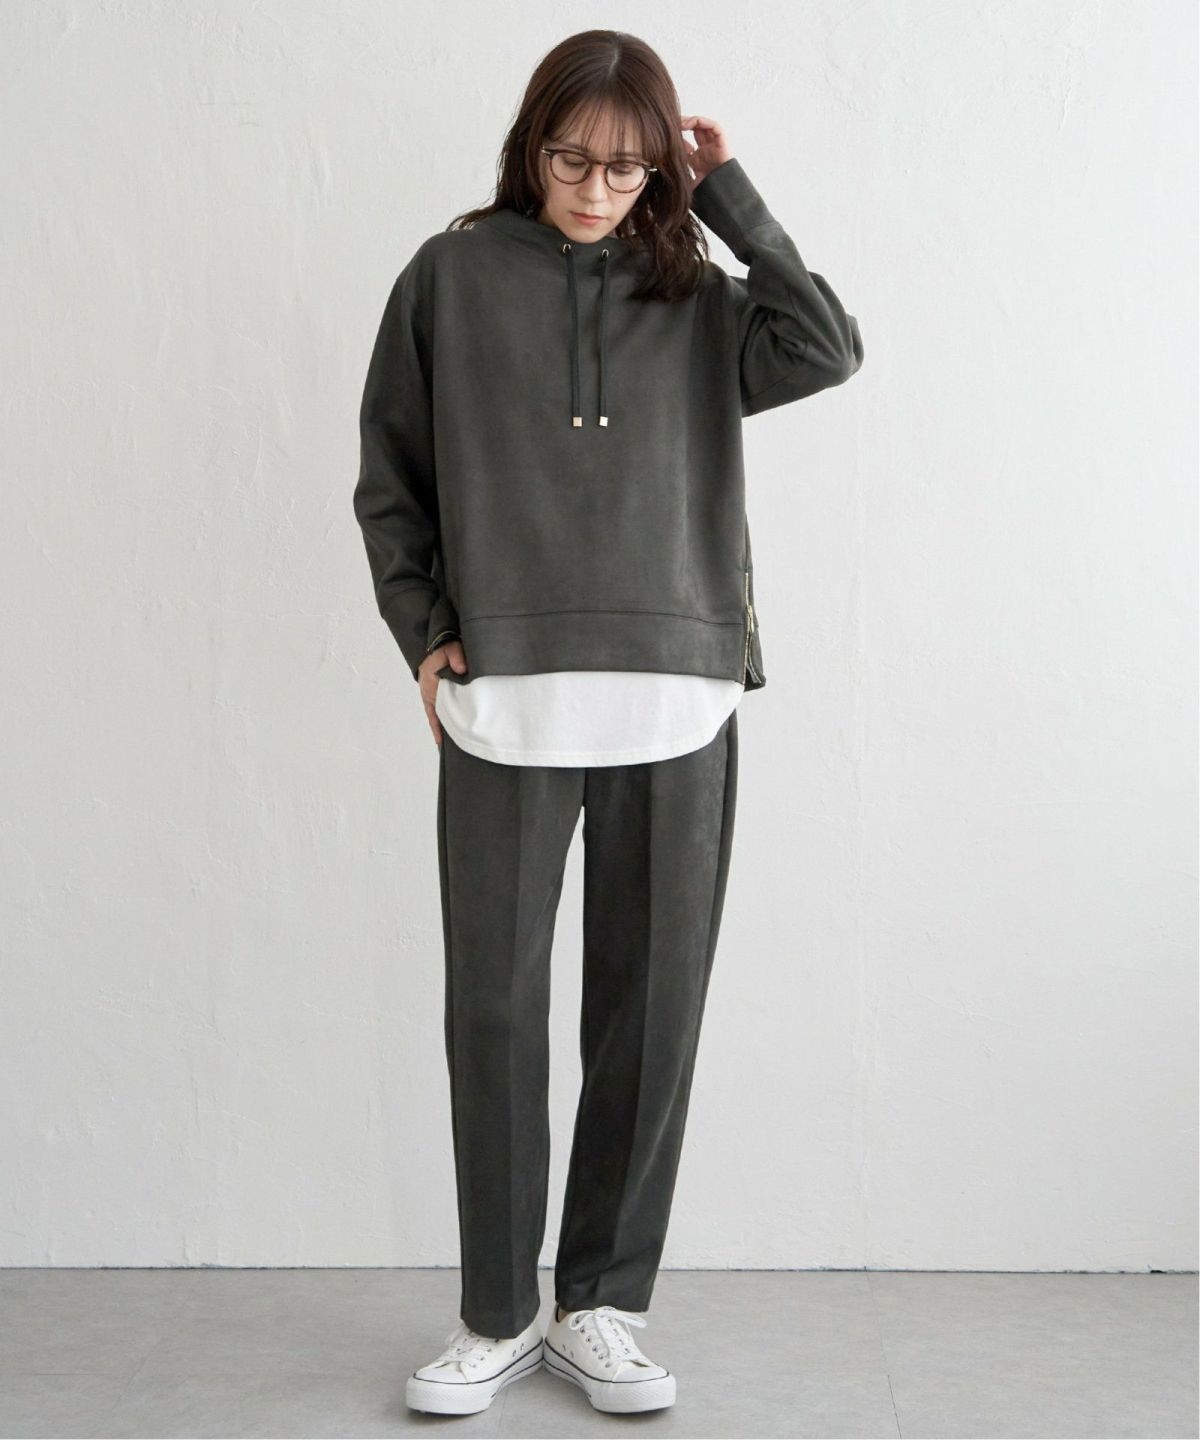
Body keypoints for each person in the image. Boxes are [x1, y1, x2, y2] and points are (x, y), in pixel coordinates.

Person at [352, 28, 863, 1418]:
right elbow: (391, 471)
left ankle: (600, 1308)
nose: (594, 189)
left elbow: (828, 347)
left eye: (628, 170)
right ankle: (495, 1315)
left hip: (677, 689)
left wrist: (730, 197)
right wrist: (424, 631)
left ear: (659, 176)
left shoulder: (697, 295)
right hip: (506, 691)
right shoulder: (450, 277)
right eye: (572, 159)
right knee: (493, 1010)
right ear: (531, 146)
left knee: (650, 1013)